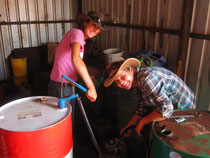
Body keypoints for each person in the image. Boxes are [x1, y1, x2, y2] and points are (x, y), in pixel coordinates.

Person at [103, 57, 196, 136]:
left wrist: (143, 121)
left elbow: (167, 109)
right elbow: (142, 106)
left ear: (131, 70)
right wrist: (129, 126)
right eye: (117, 81)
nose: (121, 82)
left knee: (173, 138)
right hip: (168, 107)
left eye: (122, 76)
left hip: (184, 108)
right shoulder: (135, 84)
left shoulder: (147, 79)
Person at [48, 11, 108, 103]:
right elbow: (76, 60)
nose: (95, 30)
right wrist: (91, 86)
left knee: (69, 116)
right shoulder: (77, 34)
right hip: (62, 86)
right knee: (67, 116)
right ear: (85, 22)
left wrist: (87, 77)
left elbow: (72, 64)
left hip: (65, 85)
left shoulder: (79, 39)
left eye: (98, 28)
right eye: (93, 25)